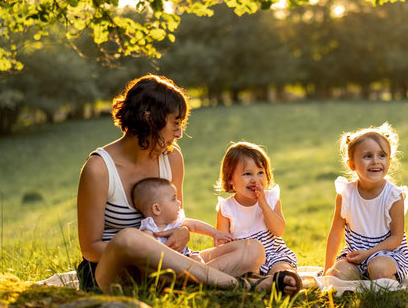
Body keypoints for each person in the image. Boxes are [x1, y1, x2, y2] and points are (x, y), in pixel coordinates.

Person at [76, 74, 301, 296]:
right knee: (130, 237)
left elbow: (178, 217)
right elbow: (90, 248)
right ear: (149, 118)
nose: (180, 132)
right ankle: (240, 285)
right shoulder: (99, 169)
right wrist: (150, 250)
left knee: (252, 249)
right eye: (175, 123)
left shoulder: (171, 158)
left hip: (172, 266)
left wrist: (183, 231)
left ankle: (180, 285)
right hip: (116, 272)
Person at [324, 122, 408, 282]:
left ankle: (386, 279)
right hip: (356, 255)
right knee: (336, 275)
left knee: (378, 270)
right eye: (367, 156)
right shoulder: (346, 194)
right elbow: (336, 233)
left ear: (389, 162)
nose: (375, 161)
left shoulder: (394, 196)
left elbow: (396, 238)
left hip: (388, 254)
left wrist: (369, 253)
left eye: (381, 155)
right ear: (352, 164)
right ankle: (362, 276)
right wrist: (327, 269)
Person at [215, 142, 301, 281]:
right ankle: (259, 280)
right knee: (240, 273)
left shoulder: (271, 199)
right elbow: (222, 247)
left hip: (274, 254)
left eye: (260, 173)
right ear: (231, 179)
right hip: (247, 258)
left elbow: (278, 231)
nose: (255, 179)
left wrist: (264, 205)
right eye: (247, 174)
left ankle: (285, 279)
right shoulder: (227, 208)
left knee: (282, 270)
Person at [132, 176, 233, 261]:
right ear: (157, 209)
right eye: (173, 199)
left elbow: (194, 225)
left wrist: (215, 233)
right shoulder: (149, 231)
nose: (179, 202)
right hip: (170, 264)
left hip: (187, 256)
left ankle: (203, 275)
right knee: (196, 261)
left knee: (196, 258)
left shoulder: (176, 222)